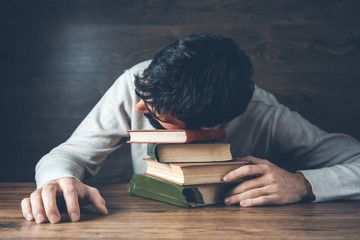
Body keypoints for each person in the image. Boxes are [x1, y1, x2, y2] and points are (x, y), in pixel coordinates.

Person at [21, 34, 360, 224]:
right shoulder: (138, 83)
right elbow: (68, 153)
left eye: (156, 114)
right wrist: (57, 180)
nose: (139, 108)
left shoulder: (266, 114)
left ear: (208, 128)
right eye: (144, 95)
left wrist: (302, 183)